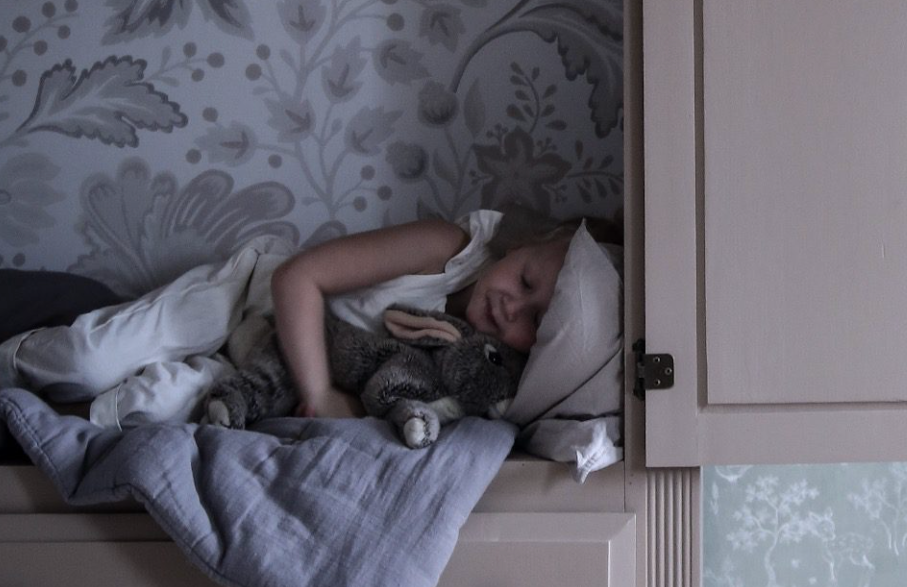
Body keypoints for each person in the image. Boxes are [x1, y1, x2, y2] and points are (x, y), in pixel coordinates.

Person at [0, 208, 598, 428]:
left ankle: (28, 422)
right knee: (89, 361)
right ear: (524, 244)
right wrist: (320, 393)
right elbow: (298, 278)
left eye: (533, 322)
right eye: (525, 281)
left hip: (264, 370)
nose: (511, 306)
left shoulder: (475, 365)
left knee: (147, 410)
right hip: (248, 301)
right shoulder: (447, 249)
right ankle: (14, 357)